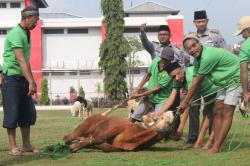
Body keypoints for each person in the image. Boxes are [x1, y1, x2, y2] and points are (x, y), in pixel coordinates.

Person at [179, 33, 241, 154]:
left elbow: (197, 81)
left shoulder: (207, 56)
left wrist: (185, 102)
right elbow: (195, 80)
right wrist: (187, 101)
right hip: (224, 82)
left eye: (194, 45)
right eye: (188, 49)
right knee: (217, 109)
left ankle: (216, 146)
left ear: (199, 43)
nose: (192, 50)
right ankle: (214, 143)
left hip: (236, 78)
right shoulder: (197, 61)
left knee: (227, 110)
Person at [185, 10, 228, 144]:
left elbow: (225, 51)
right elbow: (185, 57)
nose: (201, 23)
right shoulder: (189, 37)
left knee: (212, 108)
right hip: (195, 74)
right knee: (193, 106)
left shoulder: (215, 35)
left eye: (203, 21)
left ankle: (212, 136)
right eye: (198, 21)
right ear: (194, 23)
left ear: (207, 21)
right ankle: (193, 137)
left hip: (212, 77)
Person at [1, 7, 40, 155]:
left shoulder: (26, 33)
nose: (36, 24)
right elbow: (20, 59)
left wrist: (31, 80)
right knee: (12, 113)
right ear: (27, 18)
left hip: (22, 79)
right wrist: (31, 81)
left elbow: (26, 62)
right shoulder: (16, 34)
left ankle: (26, 145)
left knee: (27, 112)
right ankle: (13, 147)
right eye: (34, 21)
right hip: (11, 79)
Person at [164, 62, 218, 148]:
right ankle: (194, 139)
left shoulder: (190, 76)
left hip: (211, 88)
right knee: (193, 109)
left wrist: (181, 127)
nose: (176, 78)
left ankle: (212, 140)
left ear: (181, 69)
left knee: (209, 113)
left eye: (177, 74)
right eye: (173, 77)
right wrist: (161, 112)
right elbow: (172, 96)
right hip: (197, 90)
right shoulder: (176, 80)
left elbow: (189, 100)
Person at [129, 47, 180, 122]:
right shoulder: (154, 62)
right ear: (161, 57)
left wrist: (139, 95)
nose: (165, 62)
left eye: (167, 60)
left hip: (161, 100)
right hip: (149, 97)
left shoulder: (170, 72)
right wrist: (139, 87)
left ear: (170, 61)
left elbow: (156, 89)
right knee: (133, 117)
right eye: (163, 59)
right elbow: (148, 75)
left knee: (157, 120)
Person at [234, 16, 250, 105]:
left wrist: (245, 93)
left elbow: (244, 71)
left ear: (248, 30)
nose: (242, 36)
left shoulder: (246, 45)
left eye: (242, 32)